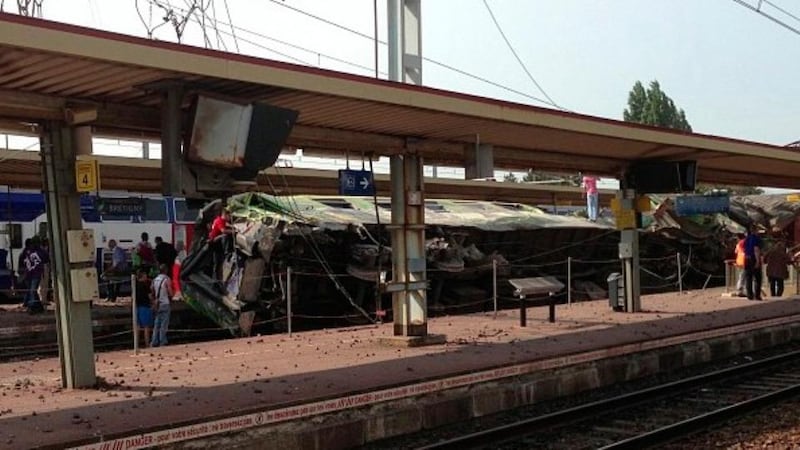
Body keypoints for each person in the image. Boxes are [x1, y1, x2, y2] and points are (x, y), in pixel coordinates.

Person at [150, 263, 174, 347]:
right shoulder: (167, 279)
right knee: (164, 323)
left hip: (157, 304)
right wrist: (172, 295)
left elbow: (152, 291)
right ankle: (162, 340)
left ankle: (154, 341)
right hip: (165, 303)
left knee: (157, 323)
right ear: (166, 270)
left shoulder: (155, 280)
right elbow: (170, 292)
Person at [23, 237, 47, 314]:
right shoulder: (27, 251)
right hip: (29, 274)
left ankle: (32, 307)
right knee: (31, 291)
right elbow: (24, 260)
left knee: (32, 290)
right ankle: (39, 307)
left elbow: (46, 259)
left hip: (36, 274)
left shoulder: (41, 252)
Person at [743, 224, 763, 301]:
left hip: (747, 258)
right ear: (755, 230)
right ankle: (757, 295)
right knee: (757, 278)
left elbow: (744, 249)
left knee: (748, 277)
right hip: (753, 258)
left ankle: (749, 295)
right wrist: (758, 261)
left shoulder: (746, 239)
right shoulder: (756, 239)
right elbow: (756, 249)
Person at [134, 268, 153, 347]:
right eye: (145, 275)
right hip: (145, 306)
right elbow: (150, 296)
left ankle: (136, 344)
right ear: (142, 276)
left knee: (137, 326)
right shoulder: (145, 286)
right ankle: (147, 343)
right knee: (146, 326)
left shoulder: (135, 285)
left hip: (136, 306)